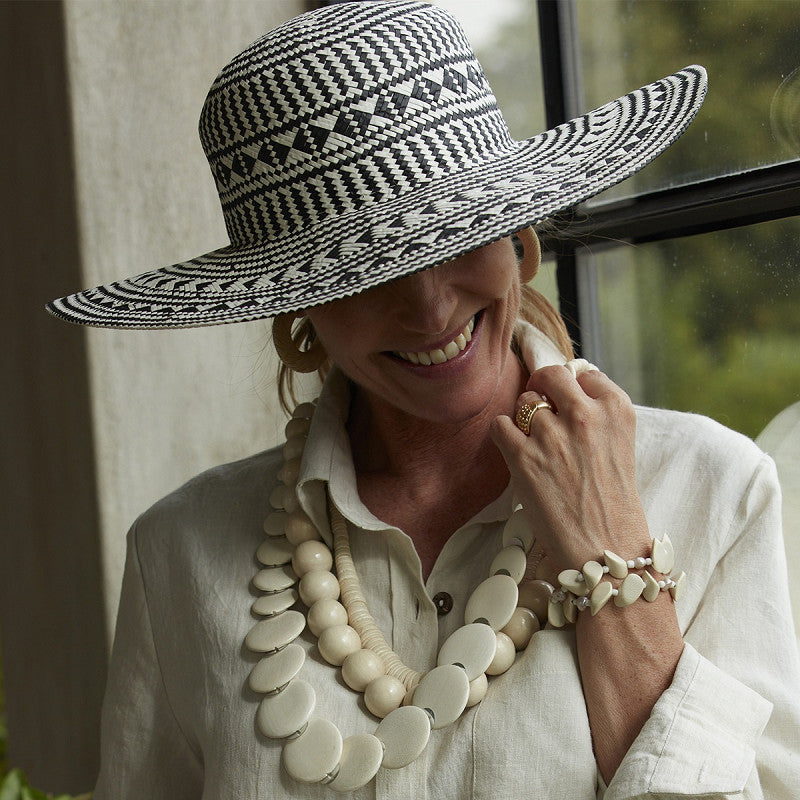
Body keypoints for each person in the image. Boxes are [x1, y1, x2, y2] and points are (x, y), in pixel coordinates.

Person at [47, 1, 800, 797]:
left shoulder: (712, 489)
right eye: (362, 272)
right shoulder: (181, 553)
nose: (430, 309)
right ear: (299, 310)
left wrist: (610, 558)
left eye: (457, 235)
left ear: (519, 239)